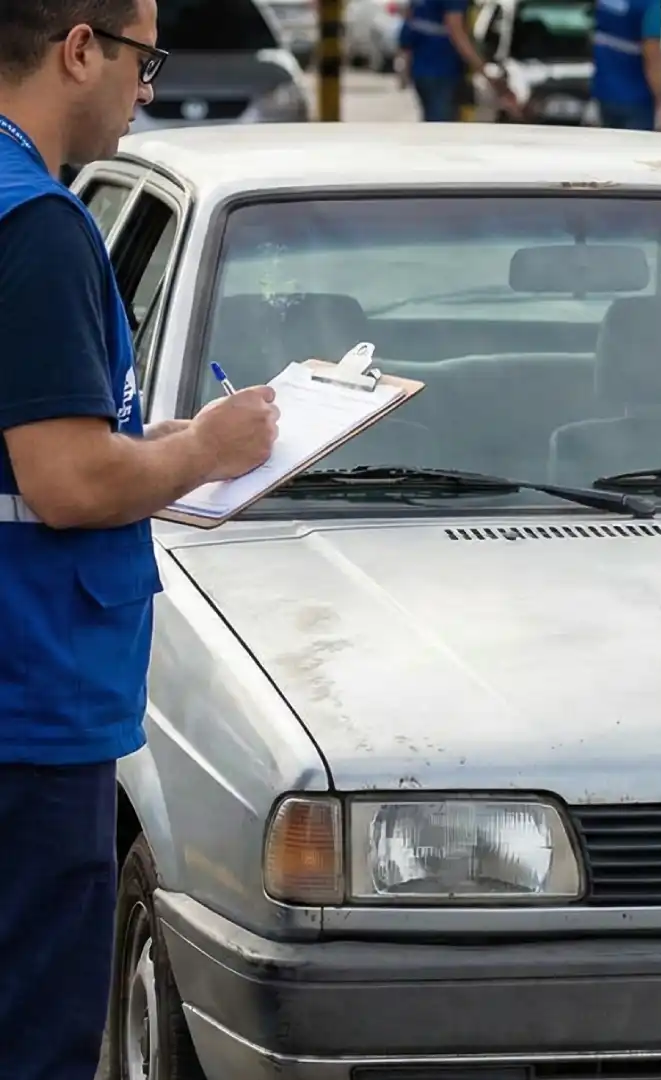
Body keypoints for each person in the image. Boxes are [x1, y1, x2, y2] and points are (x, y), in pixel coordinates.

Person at [0, 1, 278, 1076]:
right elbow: (65, 482)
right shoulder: (41, 227)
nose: (147, 88)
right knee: (37, 1034)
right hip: (33, 704)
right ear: (79, 49)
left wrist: (144, 445)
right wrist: (204, 450)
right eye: (141, 58)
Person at [399, 0, 513, 122]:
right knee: (442, 130)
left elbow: (409, 27)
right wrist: (483, 70)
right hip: (443, 71)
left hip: (422, 69)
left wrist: (404, 66)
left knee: (432, 126)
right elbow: (456, 30)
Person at [591, 0, 661, 131]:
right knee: (636, 149)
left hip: (604, 93)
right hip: (636, 100)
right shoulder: (650, 5)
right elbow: (652, 53)